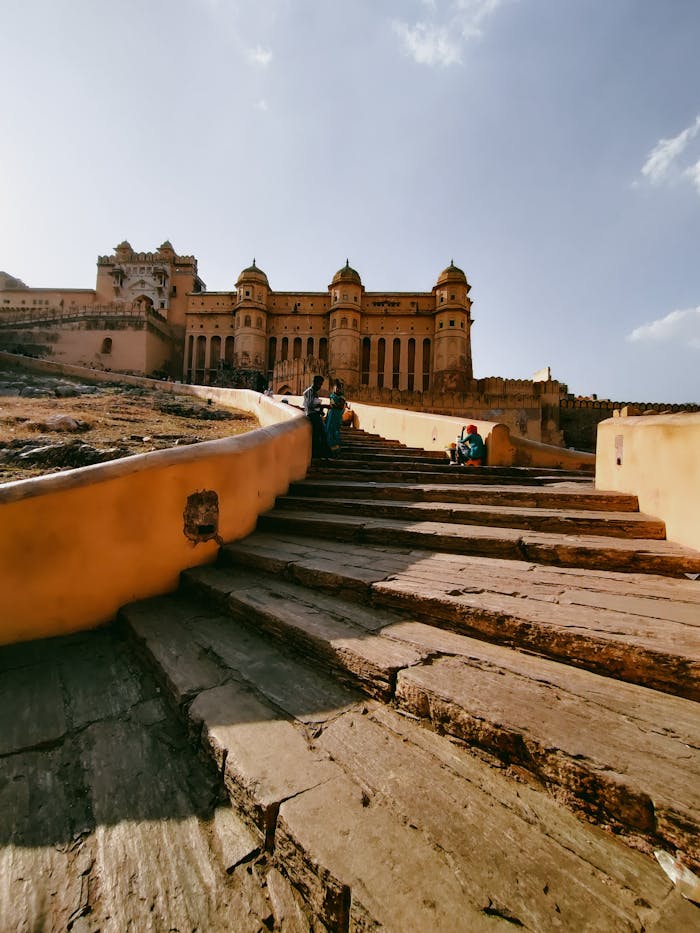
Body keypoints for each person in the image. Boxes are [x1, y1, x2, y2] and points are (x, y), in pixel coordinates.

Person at [302, 375, 331, 458]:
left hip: (315, 414)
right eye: (319, 384)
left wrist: (321, 411)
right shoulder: (309, 392)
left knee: (318, 434)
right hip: (312, 415)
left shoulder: (314, 392)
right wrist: (324, 406)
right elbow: (310, 406)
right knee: (322, 433)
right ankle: (324, 453)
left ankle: (318, 453)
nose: (320, 386)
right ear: (314, 383)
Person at [324, 379, 346, 454]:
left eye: (338, 388)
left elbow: (340, 407)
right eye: (336, 388)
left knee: (335, 431)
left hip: (337, 417)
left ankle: (335, 448)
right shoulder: (332, 396)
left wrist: (333, 406)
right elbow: (331, 406)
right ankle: (328, 448)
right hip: (330, 416)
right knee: (329, 430)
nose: (337, 389)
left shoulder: (342, 398)